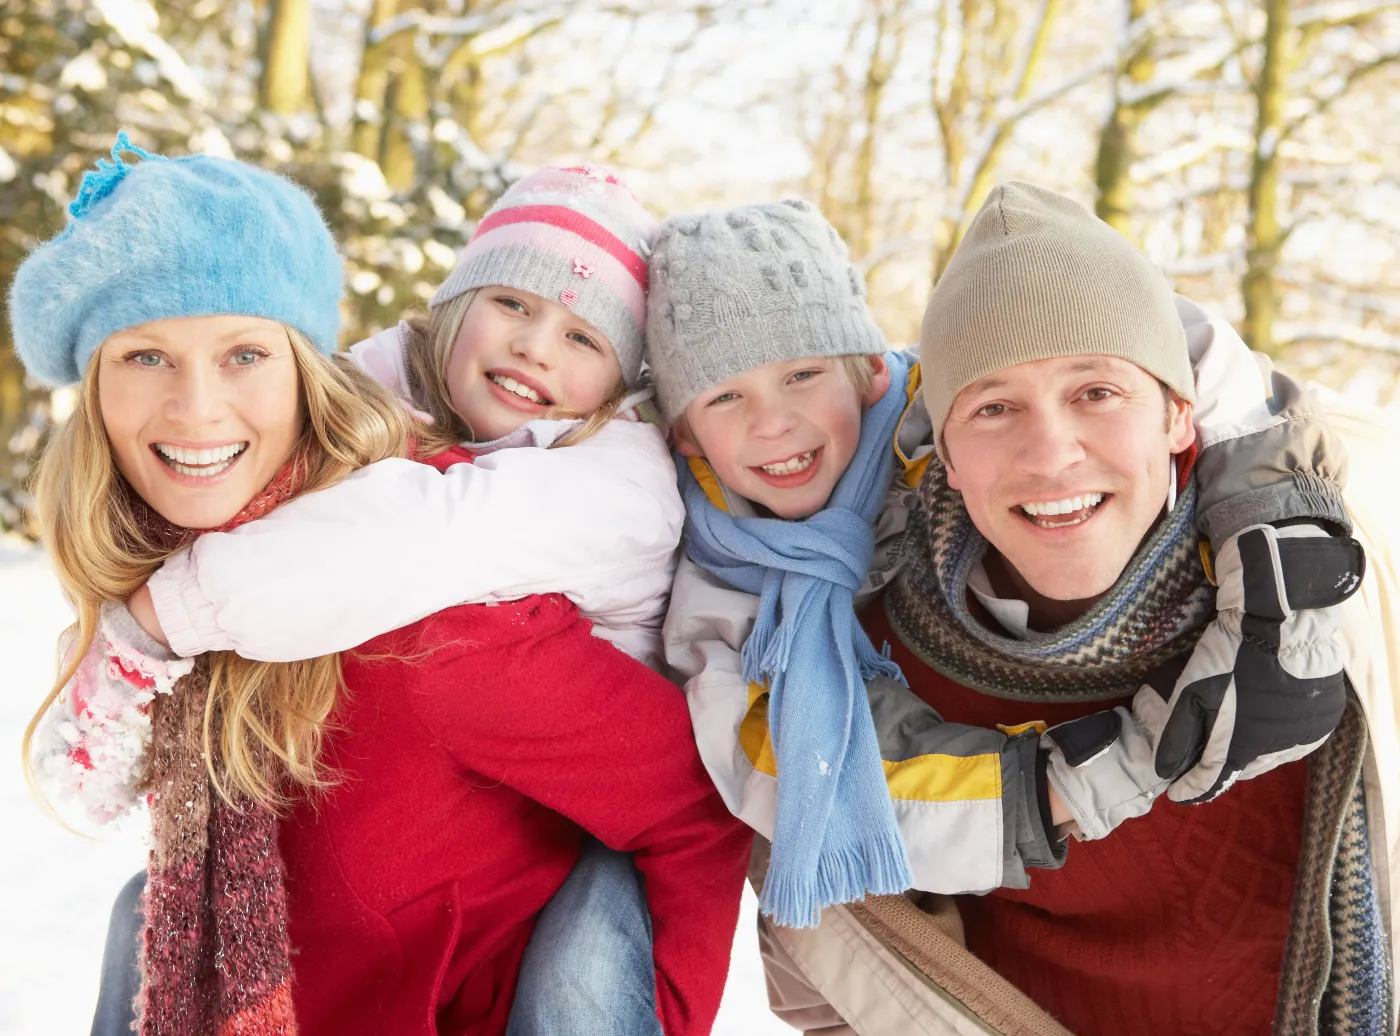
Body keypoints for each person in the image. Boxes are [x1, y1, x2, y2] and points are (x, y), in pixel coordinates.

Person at [17, 135, 750, 1036]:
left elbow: (690, 807)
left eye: (244, 355)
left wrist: (639, 1013)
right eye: (144, 356)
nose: (198, 407)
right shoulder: (246, 543)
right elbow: (89, 780)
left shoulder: (453, 625)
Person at [736, 184, 1395, 1035]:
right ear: (948, 456)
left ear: (1178, 413)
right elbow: (838, 973)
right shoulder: (857, 643)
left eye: (1096, 392)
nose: (1050, 453)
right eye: (994, 407)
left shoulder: (1345, 565)